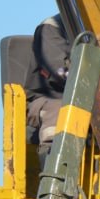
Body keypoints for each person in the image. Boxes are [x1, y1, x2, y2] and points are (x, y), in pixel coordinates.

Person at [25, 14, 71, 165]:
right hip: (47, 97)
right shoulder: (51, 27)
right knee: (61, 108)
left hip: (88, 98)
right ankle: (52, 166)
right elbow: (58, 71)